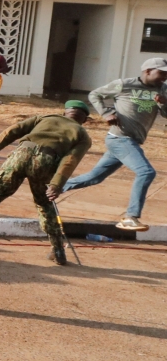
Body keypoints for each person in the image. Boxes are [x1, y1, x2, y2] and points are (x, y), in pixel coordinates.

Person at [0, 102, 92, 265]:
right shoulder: (83, 136)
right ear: (84, 120)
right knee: (44, 204)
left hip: (21, 153)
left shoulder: (44, 117)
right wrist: (56, 185)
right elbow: (70, 160)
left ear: (65, 113)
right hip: (46, 161)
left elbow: (11, 131)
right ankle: (58, 250)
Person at [61, 58, 167, 231]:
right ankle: (130, 217)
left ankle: (52, 189)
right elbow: (95, 94)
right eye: (161, 73)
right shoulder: (124, 84)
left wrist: (164, 103)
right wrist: (106, 113)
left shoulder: (163, 89)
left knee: (95, 177)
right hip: (120, 138)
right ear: (147, 71)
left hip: (132, 141)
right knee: (146, 172)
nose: (165, 77)